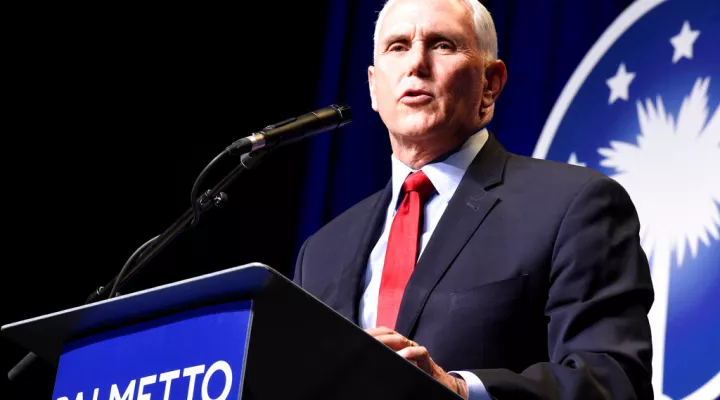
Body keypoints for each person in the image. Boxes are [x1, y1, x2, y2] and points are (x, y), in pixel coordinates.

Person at [293, 0, 655, 398]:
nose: (416, 64)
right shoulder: (321, 252)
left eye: (442, 45)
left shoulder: (573, 206)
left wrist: (459, 390)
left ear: (490, 83)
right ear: (373, 86)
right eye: (397, 47)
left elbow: (615, 381)